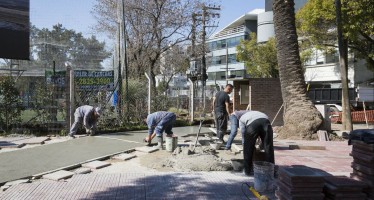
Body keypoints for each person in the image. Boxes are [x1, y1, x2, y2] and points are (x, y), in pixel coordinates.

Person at [239, 111, 275, 176]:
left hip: (253, 125)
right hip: (266, 122)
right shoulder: (258, 113)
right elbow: (261, 126)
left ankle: (247, 170)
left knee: (248, 148)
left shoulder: (241, 118)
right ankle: (271, 171)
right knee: (269, 147)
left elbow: (243, 132)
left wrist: (245, 143)